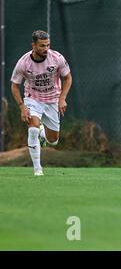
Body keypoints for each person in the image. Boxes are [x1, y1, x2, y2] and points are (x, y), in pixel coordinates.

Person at [11, 30, 72, 176]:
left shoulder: (57, 58)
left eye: (48, 45)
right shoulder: (23, 63)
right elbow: (14, 85)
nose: (46, 49)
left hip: (52, 100)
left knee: (53, 141)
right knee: (32, 129)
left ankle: (43, 133)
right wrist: (22, 106)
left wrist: (62, 98)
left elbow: (68, 78)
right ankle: (37, 169)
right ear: (33, 45)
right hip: (33, 99)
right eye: (42, 46)